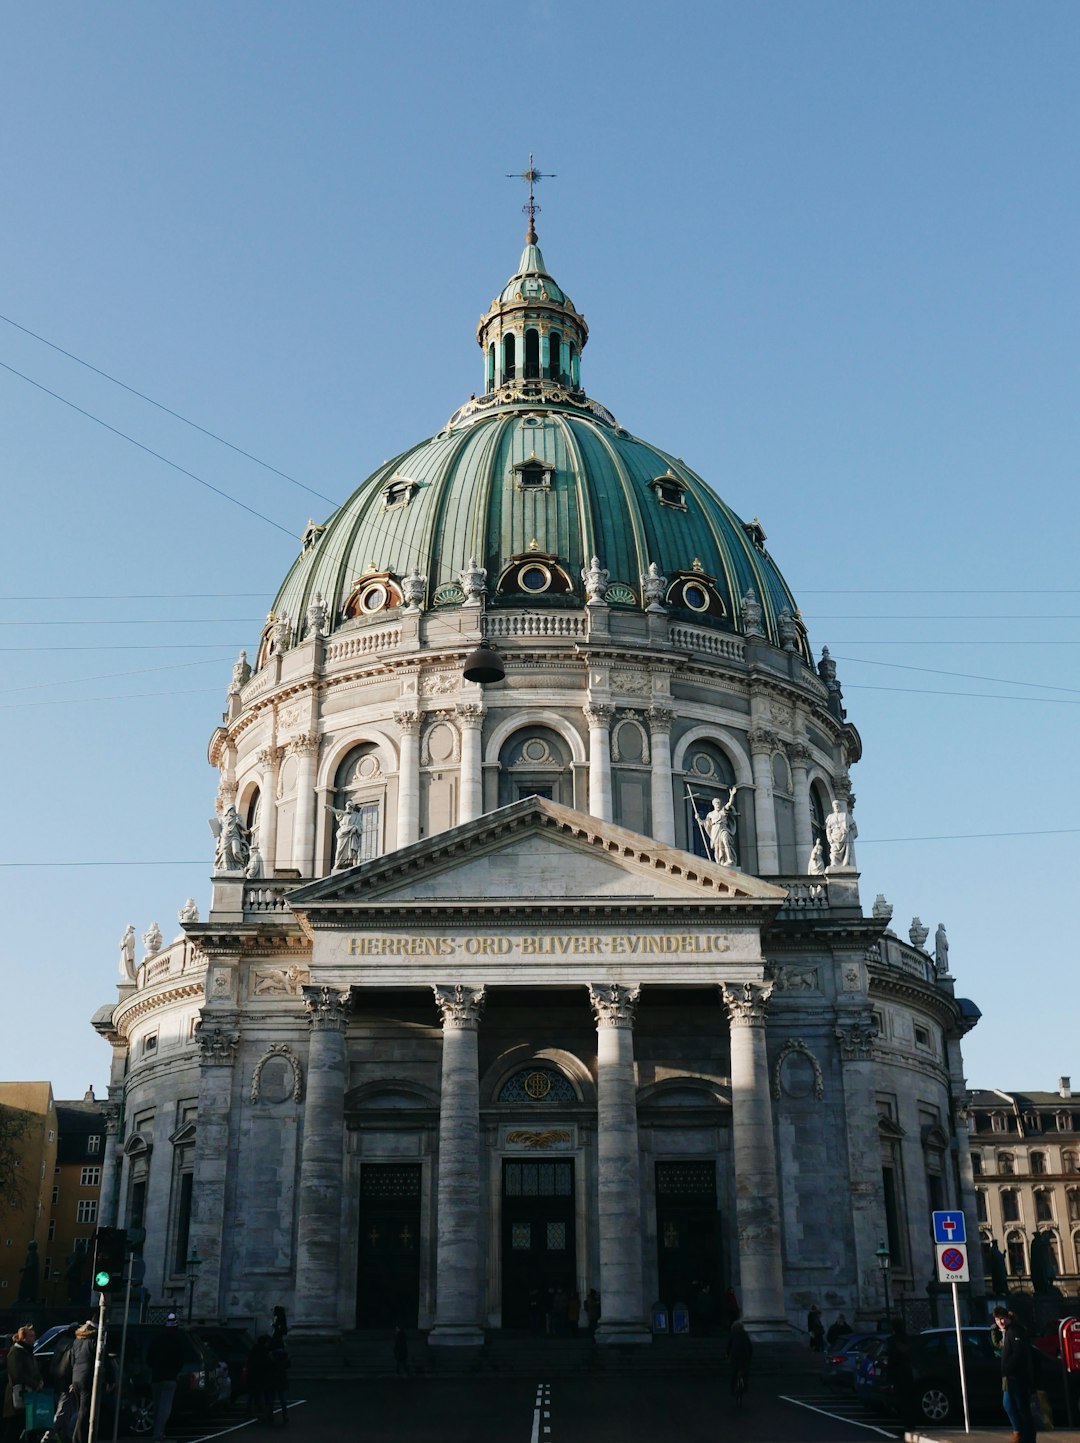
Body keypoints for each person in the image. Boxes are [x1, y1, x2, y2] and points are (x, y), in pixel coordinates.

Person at [999, 1305, 1038, 1443]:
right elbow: (1002, 1348)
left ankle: (1022, 1434)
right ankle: (1020, 1432)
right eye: (998, 1319)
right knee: (1010, 1404)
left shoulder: (1015, 1331)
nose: (1001, 1322)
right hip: (1011, 1375)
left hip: (1016, 1376)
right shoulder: (1008, 1331)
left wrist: (1008, 1368)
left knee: (1018, 1406)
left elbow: (1018, 1353)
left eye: (1003, 1318)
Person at [147, 1312, 185, 1442]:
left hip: (156, 1376)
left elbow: (149, 1358)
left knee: (157, 1405)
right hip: (170, 1377)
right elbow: (180, 1361)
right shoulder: (177, 1341)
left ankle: (156, 1431)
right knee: (165, 1406)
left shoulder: (156, 1340)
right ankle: (159, 1432)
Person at [3, 1324, 42, 1443]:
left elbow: (34, 1370)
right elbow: (17, 1374)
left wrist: (40, 1380)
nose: (34, 1338)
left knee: (28, 1426)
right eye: (31, 1336)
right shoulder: (15, 1352)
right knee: (14, 1427)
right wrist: (35, 1384)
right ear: (23, 1338)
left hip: (28, 1395)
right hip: (18, 1396)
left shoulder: (28, 1351)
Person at [70, 1320, 98, 1443]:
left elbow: (72, 1360)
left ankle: (78, 1436)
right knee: (84, 1410)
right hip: (86, 1377)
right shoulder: (92, 1342)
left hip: (76, 1377)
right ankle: (78, 1438)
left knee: (79, 1410)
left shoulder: (76, 1342)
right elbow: (101, 1359)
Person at [885, 1319, 915, 1428]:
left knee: (902, 1401)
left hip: (898, 1374)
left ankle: (908, 1424)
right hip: (907, 1372)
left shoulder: (893, 1341)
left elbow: (892, 1359)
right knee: (908, 1400)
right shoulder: (907, 1339)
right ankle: (910, 1423)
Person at [704, 790, 739, 867]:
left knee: (725, 841)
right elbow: (705, 824)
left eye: (719, 803)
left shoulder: (723, 811)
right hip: (715, 830)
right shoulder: (711, 814)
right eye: (716, 803)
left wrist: (732, 795)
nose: (718, 805)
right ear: (713, 804)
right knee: (717, 847)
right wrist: (698, 818)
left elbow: (729, 804)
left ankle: (729, 859)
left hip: (723, 828)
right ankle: (718, 862)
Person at [245, 1336, 274, 1424]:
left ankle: (249, 1411)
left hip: (252, 1376)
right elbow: (267, 1364)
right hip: (261, 1377)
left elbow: (249, 1363)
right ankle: (261, 1413)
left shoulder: (253, 1351)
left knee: (252, 1395)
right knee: (261, 1395)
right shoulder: (264, 1353)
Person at [726, 1319, 753, 1397]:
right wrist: (750, 1356)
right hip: (744, 1356)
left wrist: (727, 1354)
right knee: (745, 1371)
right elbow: (750, 1346)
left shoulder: (732, 1334)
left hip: (735, 1356)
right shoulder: (745, 1334)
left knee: (734, 1373)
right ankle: (745, 1386)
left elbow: (728, 1346)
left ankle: (732, 1389)